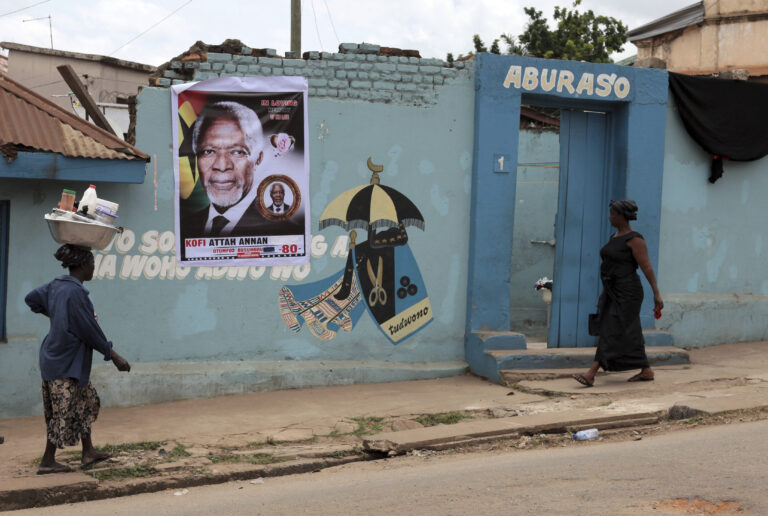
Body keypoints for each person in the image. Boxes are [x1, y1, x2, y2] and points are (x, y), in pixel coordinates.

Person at [25, 244, 131, 474]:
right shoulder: (75, 293)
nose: (94, 268)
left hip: (63, 359)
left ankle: (88, 451)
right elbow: (89, 330)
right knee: (61, 411)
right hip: (63, 362)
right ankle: (47, 461)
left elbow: (31, 299)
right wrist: (114, 356)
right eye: (92, 264)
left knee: (85, 403)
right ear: (83, 265)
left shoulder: (57, 286)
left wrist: (57, 315)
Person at [573, 200, 664, 387]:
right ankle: (646, 370)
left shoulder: (635, 239)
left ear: (622, 216)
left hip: (629, 292)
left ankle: (591, 373)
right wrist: (604, 291)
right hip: (613, 291)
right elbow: (611, 267)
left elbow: (646, 267)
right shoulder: (614, 237)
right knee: (629, 330)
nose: (610, 217)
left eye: (613, 214)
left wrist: (656, 293)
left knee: (611, 329)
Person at [180, 101, 301, 240]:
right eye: (209, 151)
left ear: (258, 159)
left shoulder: (284, 231)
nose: (222, 166)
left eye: (237, 152)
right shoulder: (185, 227)